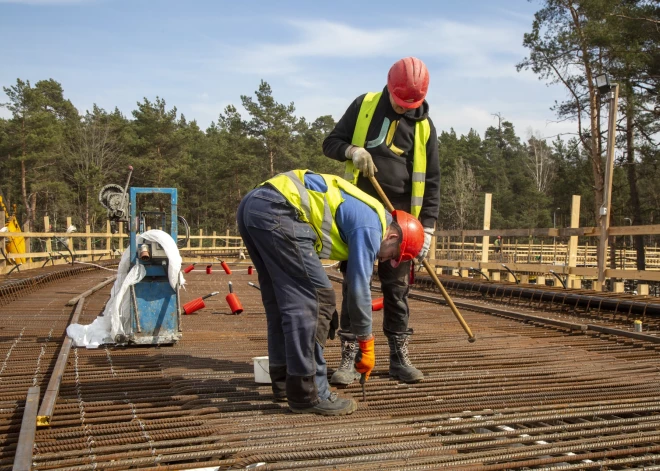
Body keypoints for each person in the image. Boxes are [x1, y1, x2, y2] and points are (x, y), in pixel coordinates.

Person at [236, 169, 424, 416]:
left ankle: (285, 382)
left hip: (254, 206)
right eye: (392, 255)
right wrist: (366, 343)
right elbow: (358, 289)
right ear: (393, 235)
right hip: (280, 210)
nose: (386, 260)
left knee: (282, 301)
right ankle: (310, 392)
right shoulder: (373, 225)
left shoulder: (365, 213)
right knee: (317, 301)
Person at [322, 56, 440, 384]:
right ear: (389, 87)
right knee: (355, 284)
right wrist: (352, 152)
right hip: (358, 214)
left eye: (409, 104)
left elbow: (432, 181)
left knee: (397, 290)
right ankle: (350, 359)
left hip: (403, 224)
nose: (403, 109)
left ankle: (399, 358)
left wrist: (427, 227)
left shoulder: (425, 127)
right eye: (399, 102)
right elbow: (330, 143)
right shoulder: (364, 106)